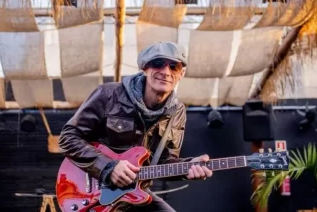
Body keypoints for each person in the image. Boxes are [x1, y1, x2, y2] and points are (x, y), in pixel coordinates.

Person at [59, 41, 213, 212]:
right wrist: (107, 167)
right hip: (95, 191)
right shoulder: (108, 94)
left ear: (181, 73)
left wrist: (189, 166)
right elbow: (68, 138)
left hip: (136, 192)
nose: (166, 72)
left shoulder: (177, 111)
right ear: (145, 68)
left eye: (174, 67)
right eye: (158, 63)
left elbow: (164, 162)